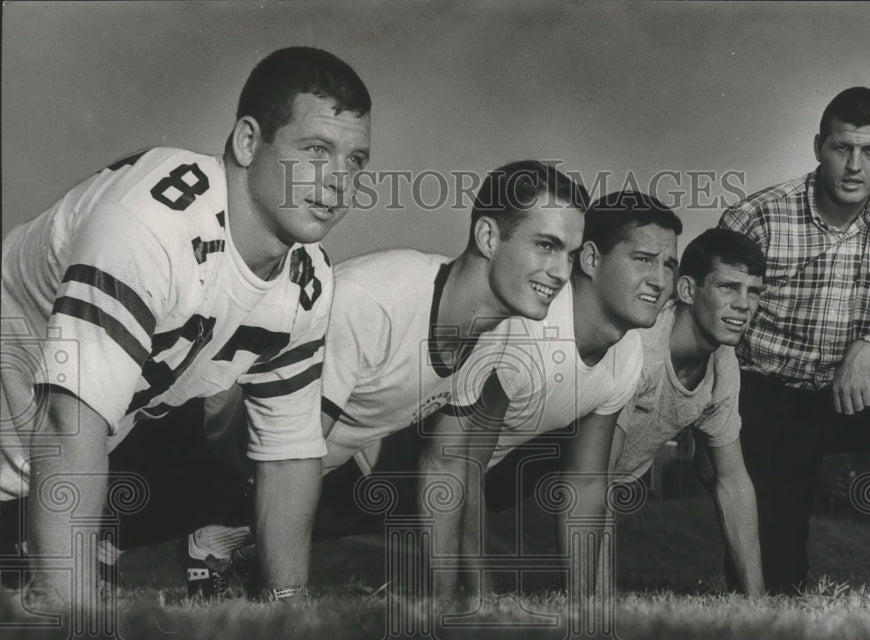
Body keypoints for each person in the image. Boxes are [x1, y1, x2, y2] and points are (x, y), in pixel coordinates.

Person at [0, 46, 372, 605]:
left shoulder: (306, 281)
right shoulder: (152, 221)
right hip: (46, 444)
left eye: (355, 160)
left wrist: (290, 609)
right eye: (316, 150)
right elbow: (67, 422)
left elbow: (288, 454)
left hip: (36, 476)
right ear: (249, 142)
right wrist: (70, 612)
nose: (339, 180)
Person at [175, 160, 590, 597]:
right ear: (488, 237)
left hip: (294, 465)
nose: (562, 272)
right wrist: (287, 599)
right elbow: (285, 461)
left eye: (571, 254)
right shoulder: (375, 301)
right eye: (546, 246)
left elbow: (445, 468)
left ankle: (225, 544)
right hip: (205, 447)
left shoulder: (498, 331)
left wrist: (442, 608)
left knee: (397, 481)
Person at [718, 86, 870, 594]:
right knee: (777, 584)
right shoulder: (758, 217)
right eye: (841, 148)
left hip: (847, 394)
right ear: (817, 147)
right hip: (765, 401)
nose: (854, 165)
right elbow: (711, 328)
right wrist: (711, 425)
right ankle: (779, 576)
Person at [408, 190, 680, 598]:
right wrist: (485, 598)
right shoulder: (529, 326)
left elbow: (585, 484)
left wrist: (583, 605)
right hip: (386, 460)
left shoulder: (627, 352)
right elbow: (460, 466)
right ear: (590, 259)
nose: (660, 280)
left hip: (461, 475)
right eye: (643, 259)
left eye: (670, 264)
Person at [609, 228, 765, 596]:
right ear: (687, 291)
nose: (744, 304)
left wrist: (759, 606)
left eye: (754, 291)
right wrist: (598, 600)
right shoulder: (640, 350)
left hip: (594, 479)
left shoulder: (724, 364)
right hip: (538, 455)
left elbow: (732, 481)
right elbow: (589, 480)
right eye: (729, 287)